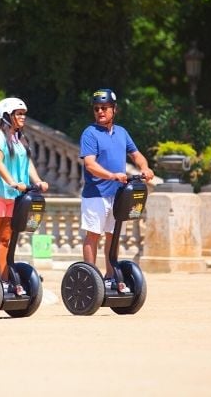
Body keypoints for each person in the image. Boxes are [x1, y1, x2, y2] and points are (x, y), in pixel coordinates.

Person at [79, 88, 154, 293]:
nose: (100, 112)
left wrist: (144, 167)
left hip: (118, 195)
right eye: (96, 109)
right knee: (93, 235)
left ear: (114, 109)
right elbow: (90, 165)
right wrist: (112, 175)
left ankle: (110, 276)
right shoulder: (90, 133)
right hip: (96, 194)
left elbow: (136, 154)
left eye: (104, 108)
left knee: (113, 235)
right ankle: (91, 279)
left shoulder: (121, 132)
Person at [0, 97, 49, 295]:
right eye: (19, 114)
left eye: (23, 114)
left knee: (5, 239)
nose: (23, 117)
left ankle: (4, 280)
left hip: (13, 196)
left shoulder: (19, 138)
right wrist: (12, 182)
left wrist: (38, 181)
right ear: (7, 116)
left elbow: (27, 163)